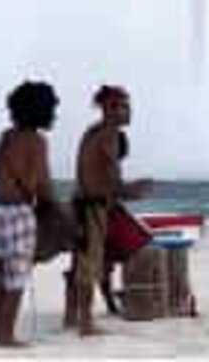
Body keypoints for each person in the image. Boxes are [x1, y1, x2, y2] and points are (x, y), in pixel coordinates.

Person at [67, 85, 152, 336]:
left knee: (85, 262)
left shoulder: (92, 131)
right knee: (89, 264)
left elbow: (96, 177)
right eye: (126, 106)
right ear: (110, 108)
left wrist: (122, 191)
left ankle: (72, 317)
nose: (130, 111)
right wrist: (134, 189)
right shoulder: (109, 135)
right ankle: (85, 324)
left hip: (84, 203)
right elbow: (113, 182)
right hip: (92, 206)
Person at [0, 81, 59, 347]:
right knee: (17, 276)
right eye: (52, 108)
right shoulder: (37, 140)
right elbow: (40, 184)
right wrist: (58, 209)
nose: (54, 114)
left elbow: (3, 176)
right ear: (40, 109)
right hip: (19, 211)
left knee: (2, 271)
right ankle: (5, 336)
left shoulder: (5, 137)